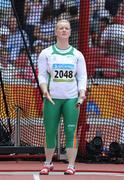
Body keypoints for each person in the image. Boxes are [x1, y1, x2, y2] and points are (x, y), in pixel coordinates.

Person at [38, 19, 87, 175]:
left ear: (70, 32)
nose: (64, 30)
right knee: (50, 131)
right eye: (61, 28)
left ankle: (71, 165)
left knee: (70, 131)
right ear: (56, 31)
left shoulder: (77, 55)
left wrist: (82, 93)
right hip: (52, 98)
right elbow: (42, 75)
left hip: (71, 99)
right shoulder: (46, 53)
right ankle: (48, 162)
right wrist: (44, 90)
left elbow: (82, 76)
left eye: (66, 28)